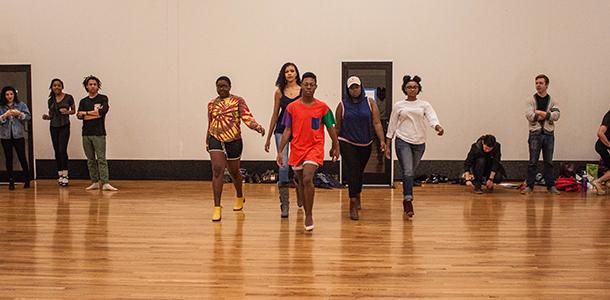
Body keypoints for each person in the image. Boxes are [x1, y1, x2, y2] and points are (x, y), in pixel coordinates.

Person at [276, 72, 340, 231]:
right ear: (301, 86)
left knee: (307, 179)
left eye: (312, 84)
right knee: (300, 180)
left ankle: (309, 214)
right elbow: (287, 131)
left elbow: (331, 127)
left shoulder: (323, 107)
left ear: (316, 86)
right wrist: (280, 151)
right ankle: (302, 200)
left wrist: (335, 145)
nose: (309, 87)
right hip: (298, 149)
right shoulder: (292, 108)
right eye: (306, 84)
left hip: (315, 148)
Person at [207, 76, 265, 222]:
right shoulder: (211, 104)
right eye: (219, 86)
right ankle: (217, 207)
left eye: (224, 86)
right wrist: (207, 139)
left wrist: (256, 126)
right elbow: (210, 123)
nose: (222, 89)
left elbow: (247, 117)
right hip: (215, 138)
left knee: (234, 171)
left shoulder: (238, 101)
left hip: (233, 140)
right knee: (217, 169)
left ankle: (239, 195)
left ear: (230, 87)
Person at [385, 75, 444, 217]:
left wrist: (437, 126)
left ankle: (407, 194)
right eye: (409, 87)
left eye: (415, 87)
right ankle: (408, 200)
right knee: (408, 172)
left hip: (419, 142)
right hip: (402, 140)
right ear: (404, 89)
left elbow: (431, 117)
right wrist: (387, 144)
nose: (412, 89)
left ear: (419, 89)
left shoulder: (424, 105)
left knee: (410, 171)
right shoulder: (399, 105)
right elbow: (392, 125)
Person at [335, 76, 386, 220]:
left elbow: (376, 123)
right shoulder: (342, 105)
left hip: (365, 142)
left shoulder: (370, 103)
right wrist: (334, 145)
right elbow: (337, 127)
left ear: (361, 87)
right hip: (347, 141)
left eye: (356, 86)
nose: (354, 89)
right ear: (347, 89)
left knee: (359, 171)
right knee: (353, 169)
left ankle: (357, 194)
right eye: (351, 87)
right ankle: (352, 202)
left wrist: (382, 140)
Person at [264, 62, 303, 218]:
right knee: (283, 165)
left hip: (299, 131)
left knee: (298, 165)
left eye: (292, 70)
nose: (289, 73)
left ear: (296, 73)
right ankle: (285, 204)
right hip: (281, 129)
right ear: (283, 74)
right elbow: (275, 114)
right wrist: (268, 137)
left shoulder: (303, 90)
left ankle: (300, 193)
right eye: (286, 71)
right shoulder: (279, 92)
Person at [76, 75, 118, 191]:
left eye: (95, 84)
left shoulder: (103, 98)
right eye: (90, 84)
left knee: (101, 159)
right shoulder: (83, 101)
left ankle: (105, 182)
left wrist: (86, 114)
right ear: (86, 86)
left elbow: (102, 112)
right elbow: (79, 116)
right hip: (86, 134)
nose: (93, 86)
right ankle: (94, 181)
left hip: (99, 133)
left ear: (98, 86)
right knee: (90, 159)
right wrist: (92, 114)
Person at [522, 74, 561, 195]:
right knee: (533, 161)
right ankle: (530, 186)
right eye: (536, 83)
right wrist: (546, 114)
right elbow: (529, 115)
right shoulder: (530, 100)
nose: (538, 85)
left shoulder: (553, 100)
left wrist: (539, 112)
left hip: (549, 134)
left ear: (546, 85)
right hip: (535, 134)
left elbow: (556, 116)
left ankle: (551, 185)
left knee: (548, 161)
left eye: (541, 83)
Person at [42, 78, 75, 186]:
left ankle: (65, 175)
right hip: (53, 126)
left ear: (62, 87)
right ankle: (60, 174)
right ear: (51, 87)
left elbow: (74, 111)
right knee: (56, 150)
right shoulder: (50, 100)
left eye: (59, 85)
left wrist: (67, 112)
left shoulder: (69, 97)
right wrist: (47, 117)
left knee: (62, 150)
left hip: (64, 125)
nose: (57, 87)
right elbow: (51, 115)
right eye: (54, 85)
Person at [0, 86, 32, 190]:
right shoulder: (1, 106)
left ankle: (27, 179)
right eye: (7, 94)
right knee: (8, 158)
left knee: (22, 157)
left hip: (18, 135)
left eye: (11, 94)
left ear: (14, 95)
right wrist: (4, 116)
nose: (9, 96)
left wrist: (19, 114)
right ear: (4, 96)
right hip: (5, 136)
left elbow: (28, 116)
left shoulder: (21, 104)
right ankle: (11, 180)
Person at [592, 110, 610, 195]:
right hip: (602, 147)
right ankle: (598, 182)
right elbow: (600, 133)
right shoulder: (609, 116)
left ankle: (607, 182)